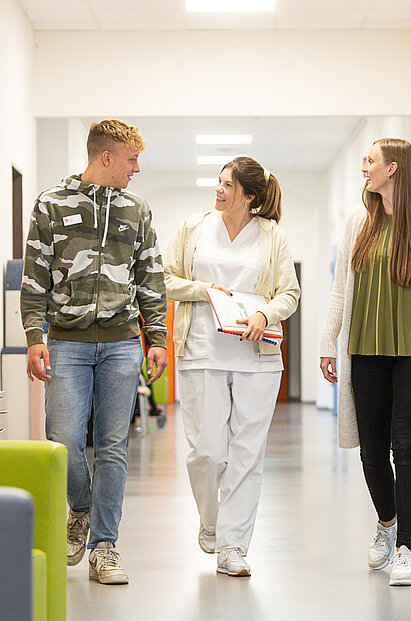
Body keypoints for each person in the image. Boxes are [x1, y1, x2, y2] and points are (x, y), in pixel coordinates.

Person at [21, 119, 167, 585]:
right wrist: (33, 337)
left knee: (112, 446)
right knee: (62, 440)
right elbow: (33, 277)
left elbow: (151, 278)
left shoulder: (137, 210)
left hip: (123, 342)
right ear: (106, 157)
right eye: (131, 160)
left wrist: (158, 337)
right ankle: (80, 508)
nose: (136, 168)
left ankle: (105, 546)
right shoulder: (50, 203)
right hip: (67, 342)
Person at [319, 138, 411, 587]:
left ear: (394, 168)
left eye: (371, 160)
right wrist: (327, 341)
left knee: (406, 449)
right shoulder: (358, 221)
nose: (365, 166)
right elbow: (341, 288)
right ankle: (386, 523)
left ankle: (407, 550)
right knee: (372, 452)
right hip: (365, 349)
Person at [163, 156, 300, 577]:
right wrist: (203, 290)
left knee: (246, 455)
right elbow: (163, 278)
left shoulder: (271, 236)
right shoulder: (193, 228)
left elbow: (289, 293)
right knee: (206, 451)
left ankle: (233, 546)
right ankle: (211, 521)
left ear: (249, 195)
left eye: (227, 185)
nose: (218, 190)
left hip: (255, 358)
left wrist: (266, 315)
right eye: (218, 182)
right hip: (201, 350)